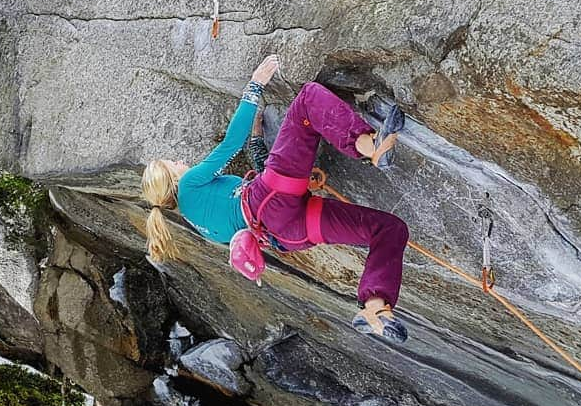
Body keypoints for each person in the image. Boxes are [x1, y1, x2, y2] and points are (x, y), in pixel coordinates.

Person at [141, 55, 410, 342]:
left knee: (389, 229)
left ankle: (375, 308)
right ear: (172, 180)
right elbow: (231, 144)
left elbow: (248, 213)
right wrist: (255, 86)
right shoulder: (190, 183)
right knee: (307, 99)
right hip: (269, 200)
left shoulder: (196, 221)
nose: (180, 160)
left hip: (290, 232)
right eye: (173, 163)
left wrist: (289, 172)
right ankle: (370, 145)